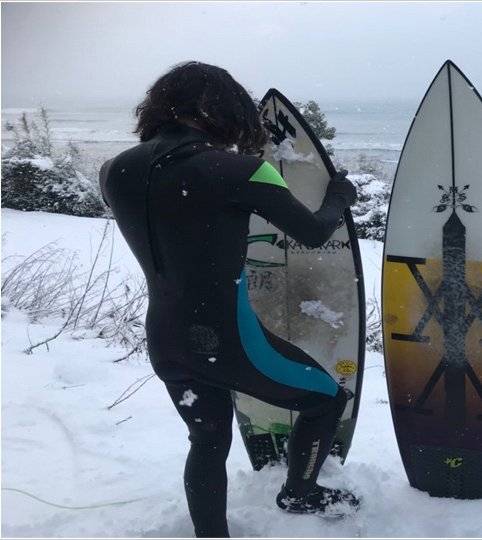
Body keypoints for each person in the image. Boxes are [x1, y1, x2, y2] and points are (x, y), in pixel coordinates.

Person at [99, 61, 360, 537]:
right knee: (327, 398)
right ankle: (300, 493)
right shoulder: (242, 170)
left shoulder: (114, 170)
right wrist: (339, 196)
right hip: (230, 342)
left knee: (207, 440)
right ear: (218, 109)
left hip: (165, 341)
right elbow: (315, 231)